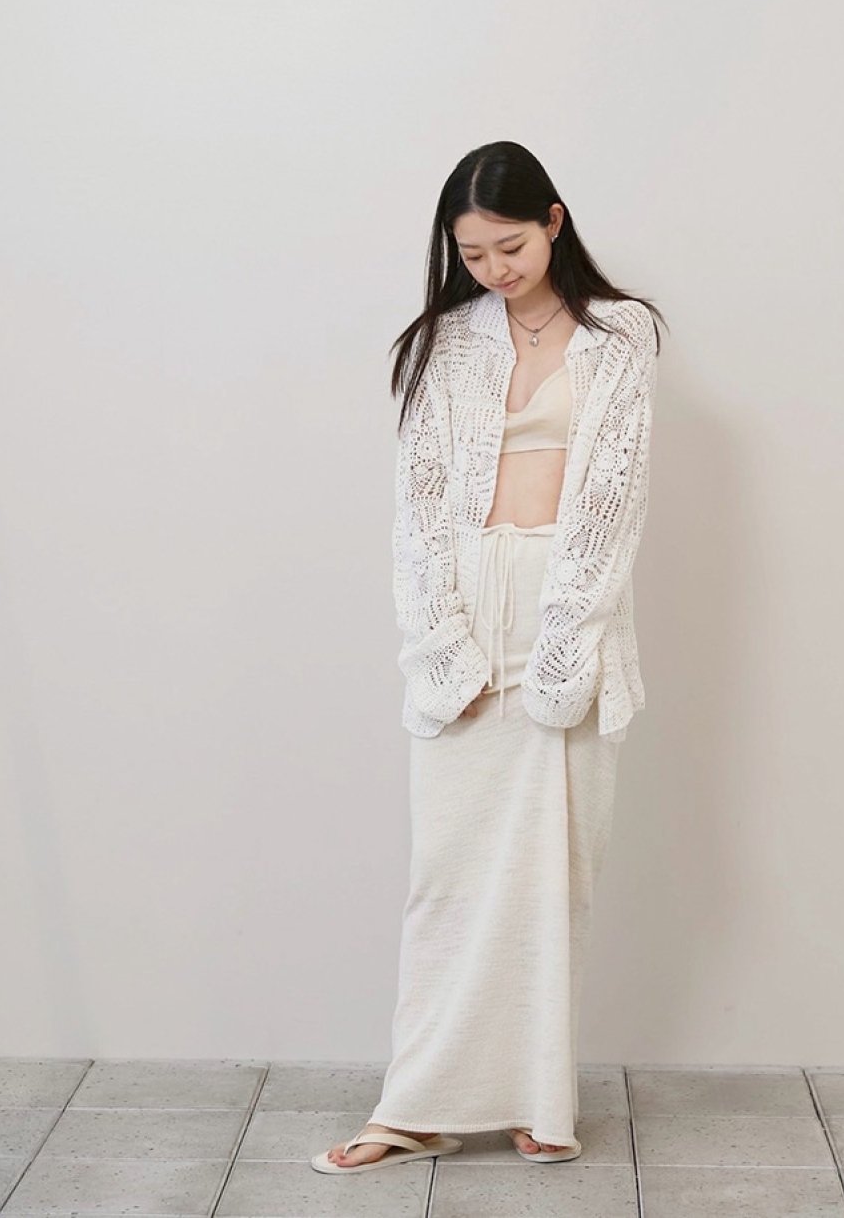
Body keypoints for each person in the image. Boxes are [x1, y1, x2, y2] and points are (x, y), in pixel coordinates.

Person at [312, 140, 667, 1175]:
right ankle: (417, 1105)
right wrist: (440, 642)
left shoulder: (622, 333)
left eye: (509, 246)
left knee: (556, 875)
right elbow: (419, 505)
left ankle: (536, 1099)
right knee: (449, 876)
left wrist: (564, 648)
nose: (494, 269)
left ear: (553, 222)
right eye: (472, 255)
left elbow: (612, 500)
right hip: (465, 606)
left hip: (572, 610)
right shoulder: (446, 341)